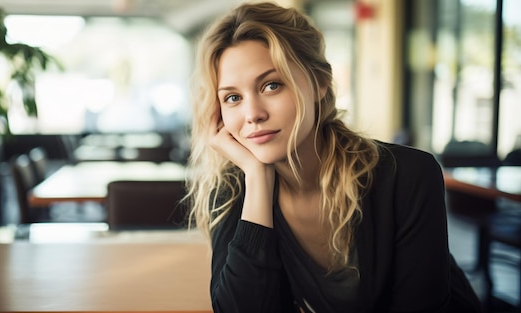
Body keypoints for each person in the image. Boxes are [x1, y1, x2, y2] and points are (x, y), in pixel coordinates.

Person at [184, 2, 482, 312]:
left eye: (272, 85)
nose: (253, 114)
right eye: (233, 98)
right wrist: (257, 179)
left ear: (320, 82)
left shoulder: (408, 175)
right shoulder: (235, 190)